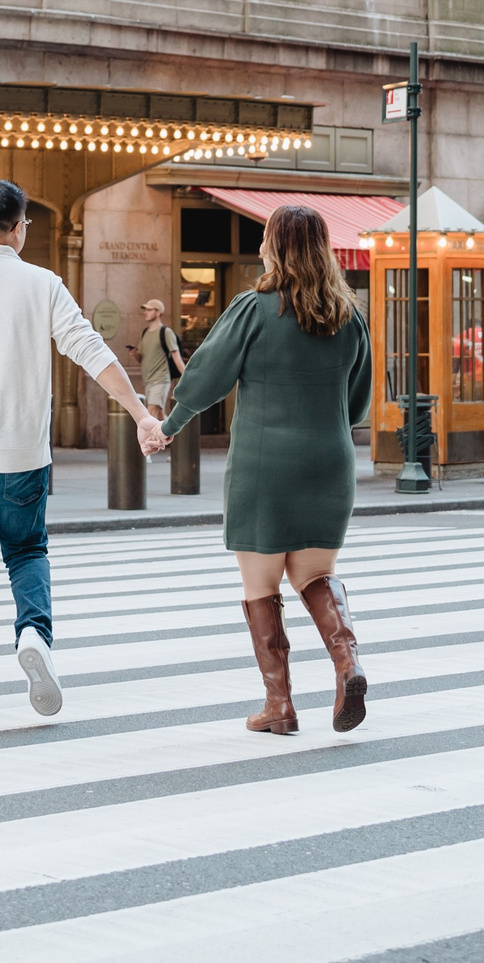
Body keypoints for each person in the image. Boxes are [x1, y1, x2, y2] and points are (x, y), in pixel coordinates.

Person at [0, 178, 156, 715]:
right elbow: (90, 350)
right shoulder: (43, 284)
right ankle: (34, 634)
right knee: (26, 552)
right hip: (22, 457)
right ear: (19, 230)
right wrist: (140, 415)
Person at [158, 204, 372, 734]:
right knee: (315, 576)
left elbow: (205, 379)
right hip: (330, 460)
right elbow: (360, 403)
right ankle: (348, 663)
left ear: (274, 247)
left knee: (262, 586)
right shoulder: (349, 316)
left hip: (263, 465)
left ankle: (280, 706)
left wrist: (168, 425)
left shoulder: (253, 309)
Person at [137, 298, 185, 411]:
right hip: (148, 380)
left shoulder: (166, 332)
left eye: (149, 310)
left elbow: (176, 357)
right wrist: (134, 353)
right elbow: (141, 359)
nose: (145, 312)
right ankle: (169, 429)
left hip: (160, 379)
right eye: (145, 310)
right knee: (159, 416)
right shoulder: (144, 332)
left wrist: (188, 378)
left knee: (151, 410)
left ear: (158, 312)